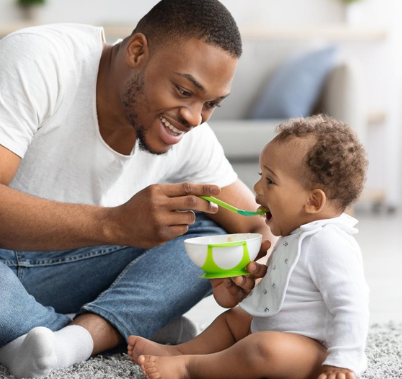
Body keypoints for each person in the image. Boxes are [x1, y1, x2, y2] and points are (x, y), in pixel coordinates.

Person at [0, 0, 275, 379]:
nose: (194, 117)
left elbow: (255, 226)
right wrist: (115, 224)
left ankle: (61, 340)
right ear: (136, 51)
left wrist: (258, 268)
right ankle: (103, 331)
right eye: (184, 91)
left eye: (211, 105)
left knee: (207, 230)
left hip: (51, 278)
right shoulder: (40, 59)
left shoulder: (186, 132)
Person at [128, 115, 370, 379]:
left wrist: (342, 362)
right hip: (277, 335)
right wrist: (245, 297)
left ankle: (191, 368)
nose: (256, 188)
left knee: (262, 348)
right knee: (237, 318)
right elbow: (280, 297)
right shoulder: (295, 235)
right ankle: (180, 352)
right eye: (260, 176)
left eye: (270, 181)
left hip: (313, 353)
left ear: (313, 201)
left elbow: (352, 306)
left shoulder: (329, 242)